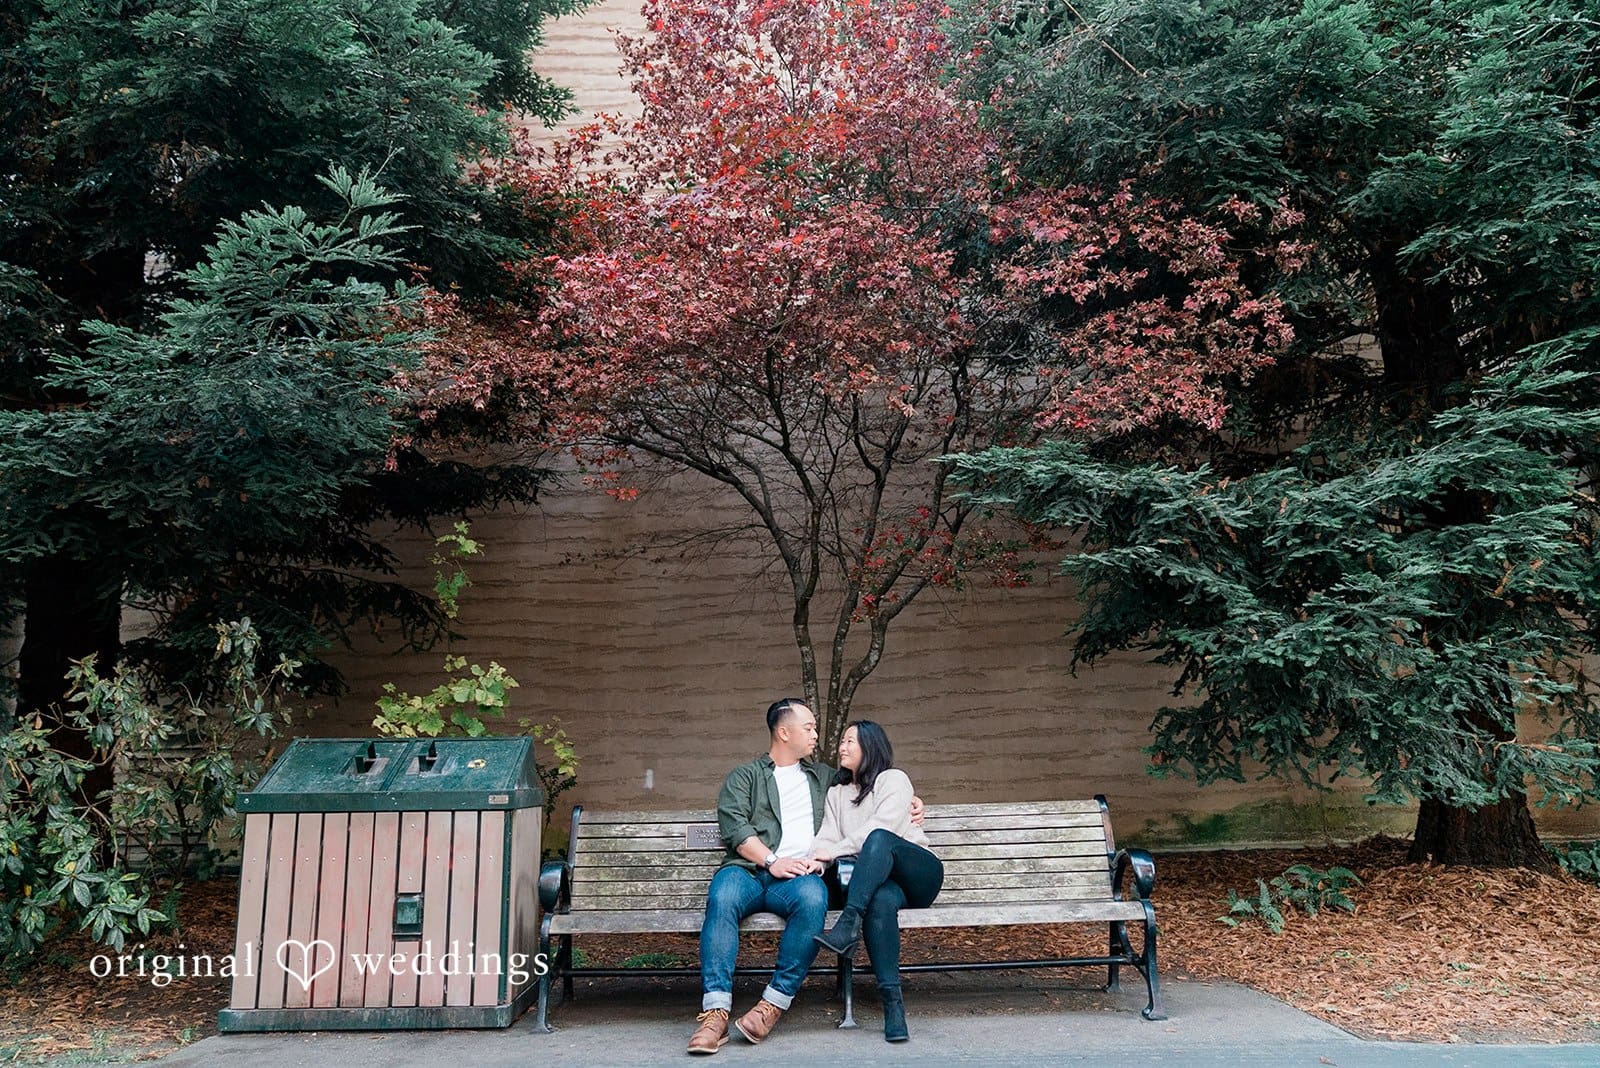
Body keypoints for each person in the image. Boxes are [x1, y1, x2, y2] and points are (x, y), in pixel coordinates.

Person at [688, 700, 921, 1055]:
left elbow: (869, 786)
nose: (816, 734)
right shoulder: (744, 777)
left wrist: (914, 801)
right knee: (722, 895)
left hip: (798, 878)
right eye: (809, 727)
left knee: (814, 899)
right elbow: (735, 827)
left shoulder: (824, 777)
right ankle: (715, 1014)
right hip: (748, 871)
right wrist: (771, 860)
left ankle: (772, 1005)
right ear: (784, 732)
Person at [809, 720, 943, 1043]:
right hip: (878, 884)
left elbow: (881, 828)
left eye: (850, 741)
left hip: (916, 873)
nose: (842, 746)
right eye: (842, 741)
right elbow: (825, 837)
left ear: (871, 746)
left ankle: (848, 923)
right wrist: (815, 857)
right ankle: (893, 1005)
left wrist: (833, 853)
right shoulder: (837, 794)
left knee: (878, 838)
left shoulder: (893, 780)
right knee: (880, 901)